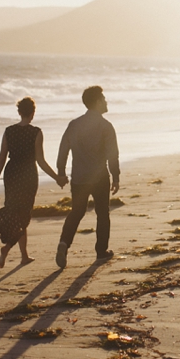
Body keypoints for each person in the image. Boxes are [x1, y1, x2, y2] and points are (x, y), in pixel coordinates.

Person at [0, 97, 67, 268]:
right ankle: (7, 249)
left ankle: (24, 256)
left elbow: (1, 158)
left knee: (16, 213)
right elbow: (40, 160)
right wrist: (57, 178)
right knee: (23, 216)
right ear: (33, 113)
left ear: (19, 112)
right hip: (28, 175)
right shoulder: (36, 132)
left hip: (11, 173)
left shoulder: (9, 131)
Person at [55, 86, 120, 268]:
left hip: (79, 178)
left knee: (76, 212)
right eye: (104, 99)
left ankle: (63, 243)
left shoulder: (74, 124)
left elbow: (63, 150)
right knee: (102, 214)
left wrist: (61, 172)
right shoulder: (106, 126)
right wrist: (116, 176)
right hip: (99, 178)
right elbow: (112, 155)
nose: (106, 102)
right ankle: (101, 251)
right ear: (98, 102)